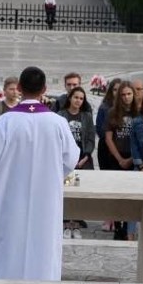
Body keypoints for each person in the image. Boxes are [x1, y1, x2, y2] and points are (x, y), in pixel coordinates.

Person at [0, 66, 78, 281]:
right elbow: (70, 159)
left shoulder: (5, 122)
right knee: (42, 244)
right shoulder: (58, 123)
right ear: (45, 89)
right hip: (45, 198)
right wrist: (49, 174)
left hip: (9, 196)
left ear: (19, 88)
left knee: (8, 243)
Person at [56, 86, 94, 239]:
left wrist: (85, 156)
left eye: (81, 98)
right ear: (70, 98)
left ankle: (76, 223)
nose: (78, 100)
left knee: (78, 191)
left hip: (82, 160)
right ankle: (65, 222)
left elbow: (91, 138)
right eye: (76, 97)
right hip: (65, 161)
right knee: (66, 191)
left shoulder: (86, 116)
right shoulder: (61, 115)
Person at [105, 81, 138, 240]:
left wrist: (132, 158)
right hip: (116, 157)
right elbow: (109, 138)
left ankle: (128, 228)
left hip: (133, 157)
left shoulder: (138, 112)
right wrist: (119, 158)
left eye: (129, 94)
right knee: (116, 194)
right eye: (123, 94)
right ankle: (117, 226)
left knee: (130, 194)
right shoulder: (113, 112)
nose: (126, 97)